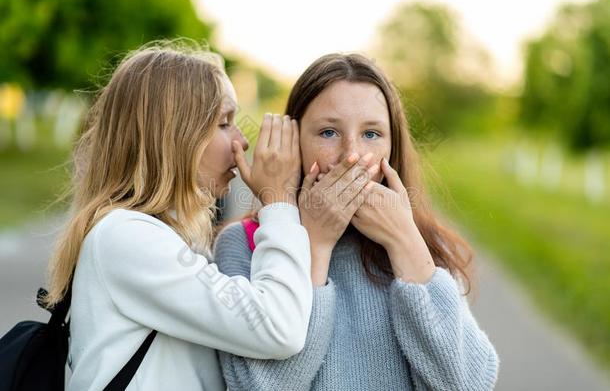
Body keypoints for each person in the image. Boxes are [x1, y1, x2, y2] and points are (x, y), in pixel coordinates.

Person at [215, 53, 500, 390]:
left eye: (371, 134)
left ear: (392, 147)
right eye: (328, 132)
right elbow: (255, 386)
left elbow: (466, 384)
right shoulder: (245, 245)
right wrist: (315, 245)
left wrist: (404, 242)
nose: (351, 155)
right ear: (294, 144)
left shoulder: (422, 245)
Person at [42, 41, 313, 390]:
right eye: (224, 123)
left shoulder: (160, 236)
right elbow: (279, 327)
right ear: (174, 135)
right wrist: (279, 202)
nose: (242, 141)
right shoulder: (127, 237)